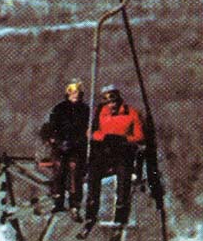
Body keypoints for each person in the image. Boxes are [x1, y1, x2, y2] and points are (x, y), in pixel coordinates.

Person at [80, 84, 145, 236]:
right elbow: (90, 132)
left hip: (123, 152)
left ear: (118, 99)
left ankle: (120, 218)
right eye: (108, 101)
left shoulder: (131, 113)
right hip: (105, 152)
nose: (111, 104)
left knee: (123, 181)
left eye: (114, 100)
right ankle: (91, 214)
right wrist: (102, 137)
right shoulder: (100, 112)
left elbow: (140, 136)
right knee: (93, 175)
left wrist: (124, 139)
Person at [45, 79, 89, 220]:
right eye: (72, 92)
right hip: (61, 146)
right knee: (59, 166)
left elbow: (85, 129)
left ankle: (74, 203)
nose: (75, 95)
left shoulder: (85, 109)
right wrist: (57, 141)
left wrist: (78, 141)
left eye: (77, 92)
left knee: (75, 169)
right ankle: (58, 200)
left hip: (77, 146)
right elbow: (51, 127)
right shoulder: (59, 109)